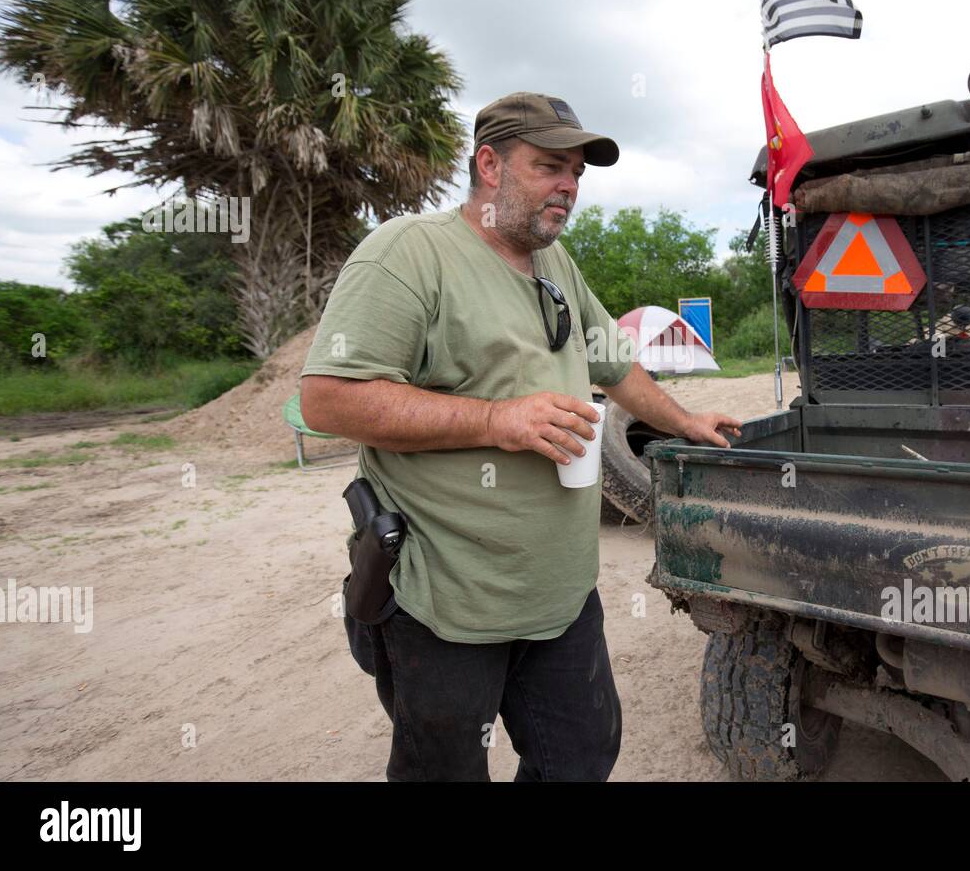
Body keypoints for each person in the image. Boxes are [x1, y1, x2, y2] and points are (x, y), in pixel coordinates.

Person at [299, 91, 741, 781]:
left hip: (559, 597)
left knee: (581, 757)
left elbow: (614, 364)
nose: (567, 185)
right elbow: (327, 399)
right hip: (447, 599)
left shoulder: (556, 266)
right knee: (442, 770)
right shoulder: (410, 253)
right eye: (549, 166)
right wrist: (497, 420)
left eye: (576, 173)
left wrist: (684, 422)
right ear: (490, 166)